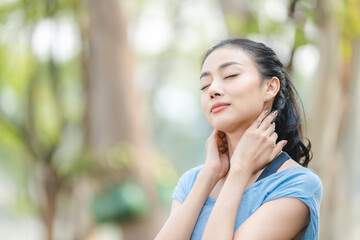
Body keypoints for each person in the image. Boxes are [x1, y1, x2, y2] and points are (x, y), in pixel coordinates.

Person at [155, 39, 322, 240]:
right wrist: (210, 174)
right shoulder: (192, 181)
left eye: (230, 75)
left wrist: (239, 170)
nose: (212, 90)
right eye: (205, 85)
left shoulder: (295, 184)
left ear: (270, 87)